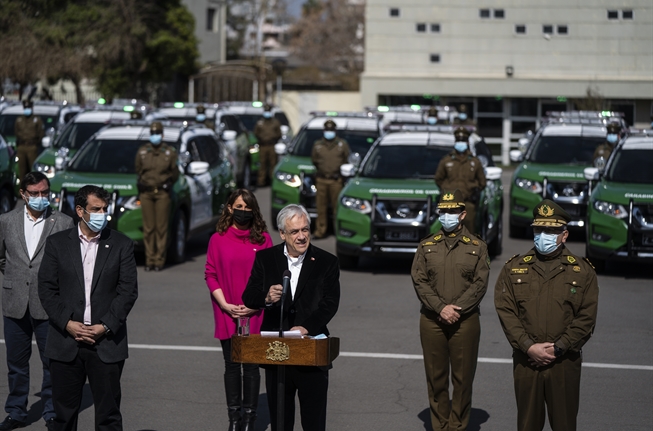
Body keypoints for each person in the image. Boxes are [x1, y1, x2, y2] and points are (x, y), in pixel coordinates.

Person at [38, 185, 139, 431]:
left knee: (108, 416)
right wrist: (67, 324)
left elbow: (128, 292)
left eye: (105, 209)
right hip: (65, 341)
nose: (102, 214)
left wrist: (104, 326)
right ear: (80, 210)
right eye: (96, 209)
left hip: (105, 343)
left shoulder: (121, 244)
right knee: (63, 417)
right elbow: (47, 289)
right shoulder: (57, 244)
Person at [494, 199, 599, 431]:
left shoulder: (582, 271)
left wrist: (559, 347)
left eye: (551, 230)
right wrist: (528, 346)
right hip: (526, 361)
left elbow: (586, 317)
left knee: (564, 425)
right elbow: (506, 311)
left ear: (564, 235)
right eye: (539, 229)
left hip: (564, 362)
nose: (544, 235)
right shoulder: (514, 268)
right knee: (527, 425)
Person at [242, 204, 340, 431]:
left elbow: (330, 304)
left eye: (305, 230)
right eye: (295, 232)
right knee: (280, 421)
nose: (302, 236)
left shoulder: (327, 262)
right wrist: (266, 297)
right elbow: (249, 296)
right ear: (283, 234)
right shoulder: (266, 259)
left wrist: (305, 328)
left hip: (311, 351)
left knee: (313, 422)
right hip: (277, 352)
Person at [411, 189, 489, 431]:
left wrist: (457, 309)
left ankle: (457, 426)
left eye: (452, 212)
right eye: (443, 212)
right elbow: (419, 280)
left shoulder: (477, 246)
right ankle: (440, 425)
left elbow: (480, 283)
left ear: (462, 214)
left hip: (464, 322)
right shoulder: (427, 245)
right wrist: (440, 308)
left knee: (463, 380)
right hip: (432, 319)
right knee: (436, 379)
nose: (446, 216)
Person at [0, 172, 73, 431]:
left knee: (51, 362)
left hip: (49, 304)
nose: (41, 198)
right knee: (16, 364)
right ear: (23, 194)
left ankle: (52, 412)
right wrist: (16, 277)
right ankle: (16, 411)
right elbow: (2, 257)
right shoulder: (6, 221)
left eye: (45, 193)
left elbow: (69, 263)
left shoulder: (63, 222)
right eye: (35, 193)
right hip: (15, 300)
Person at [205, 189, 273, 431]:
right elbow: (211, 274)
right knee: (232, 365)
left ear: (254, 210)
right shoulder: (218, 238)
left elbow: (270, 277)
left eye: (247, 207)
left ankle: (250, 421)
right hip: (227, 310)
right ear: (229, 208)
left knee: (251, 366)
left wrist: (254, 305)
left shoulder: (263, 239)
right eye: (238, 206)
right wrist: (225, 304)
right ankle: (234, 420)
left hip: (254, 311)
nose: (242, 211)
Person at [135, 121, 179, 271]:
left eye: (157, 133)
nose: (155, 136)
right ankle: (150, 259)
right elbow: (138, 169)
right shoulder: (142, 152)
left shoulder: (169, 152)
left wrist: (169, 183)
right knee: (148, 228)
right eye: (152, 133)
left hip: (162, 193)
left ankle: (159, 260)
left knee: (161, 227)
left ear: (162, 135)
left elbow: (175, 172)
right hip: (146, 193)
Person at [434, 126, 486, 234]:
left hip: (468, 203)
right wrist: (446, 190)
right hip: (449, 203)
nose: (460, 143)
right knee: (448, 232)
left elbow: (482, 182)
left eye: (462, 140)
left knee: (469, 232)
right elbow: (438, 179)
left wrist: (474, 192)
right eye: (458, 140)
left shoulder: (475, 162)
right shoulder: (446, 160)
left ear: (467, 142)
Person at [310, 120, 350, 239]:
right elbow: (314, 161)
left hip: (336, 181)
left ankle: (338, 231)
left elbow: (346, 160)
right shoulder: (317, 145)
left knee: (336, 208)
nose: (329, 132)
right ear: (324, 131)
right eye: (327, 130)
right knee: (320, 207)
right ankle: (320, 230)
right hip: (321, 180)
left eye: (331, 130)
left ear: (335, 131)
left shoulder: (342, 144)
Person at [14, 100, 44, 185]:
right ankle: (22, 190)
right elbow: (16, 132)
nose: (27, 109)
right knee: (21, 170)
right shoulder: (19, 119)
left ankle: (33, 188)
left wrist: (36, 143)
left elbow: (41, 133)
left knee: (33, 170)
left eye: (28, 107)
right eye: (25, 107)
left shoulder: (36, 120)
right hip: (21, 146)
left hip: (32, 146)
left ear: (32, 108)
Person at [253, 104, 282, 187]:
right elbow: (256, 133)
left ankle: (272, 181)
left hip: (272, 145)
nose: (267, 113)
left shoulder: (275, 122)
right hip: (262, 146)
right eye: (266, 111)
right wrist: (261, 139)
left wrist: (274, 139)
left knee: (273, 164)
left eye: (268, 111)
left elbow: (279, 134)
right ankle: (261, 181)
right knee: (262, 164)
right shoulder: (260, 123)